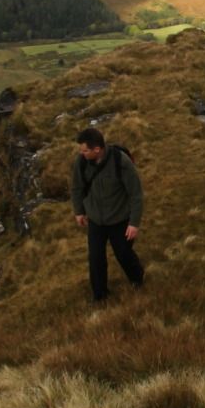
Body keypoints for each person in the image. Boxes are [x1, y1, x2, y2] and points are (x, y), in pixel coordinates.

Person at [71, 127, 144, 303]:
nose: (82, 153)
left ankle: (138, 279)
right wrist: (79, 211)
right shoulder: (81, 162)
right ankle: (100, 296)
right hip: (96, 220)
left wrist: (134, 223)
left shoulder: (121, 161)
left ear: (97, 149)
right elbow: (77, 187)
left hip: (120, 219)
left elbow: (136, 193)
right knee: (96, 258)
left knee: (123, 254)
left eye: (85, 150)